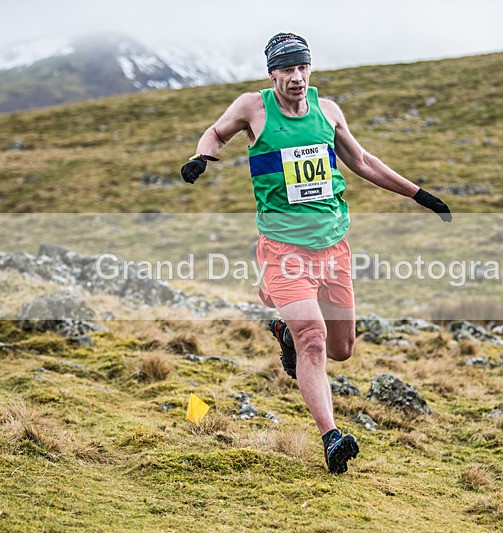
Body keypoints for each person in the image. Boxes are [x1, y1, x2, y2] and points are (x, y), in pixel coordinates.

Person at [181, 32, 452, 474]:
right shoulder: (254, 107)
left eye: (302, 67)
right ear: (273, 74)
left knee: (342, 348)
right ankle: (330, 438)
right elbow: (216, 132)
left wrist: (418, 195)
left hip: (332, 248)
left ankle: (284, 331)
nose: (296, 77)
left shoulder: (327, 112)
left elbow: (362, 162)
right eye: (287, 69)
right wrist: (201, 157)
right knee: (314, 338)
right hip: (283, 249)